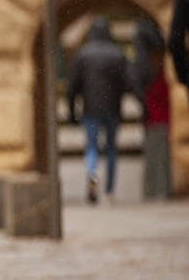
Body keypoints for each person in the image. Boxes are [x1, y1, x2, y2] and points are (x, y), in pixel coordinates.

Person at [67, 16, 130, 204]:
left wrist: (71, 111)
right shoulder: (118, 54)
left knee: (92, 147)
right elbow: (126, 82)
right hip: (112, 108)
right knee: (111, 149)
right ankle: (110, 191)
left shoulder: (83, 54)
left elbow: (73, 86)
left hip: (90, 108)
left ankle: (92, 174)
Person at [130, 18, 171, 200]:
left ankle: (152, 190)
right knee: (160, 153)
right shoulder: (159, 65)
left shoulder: (142, 62)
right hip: (159, 114)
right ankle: (160, 189)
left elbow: (136, 85)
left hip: (153, 113)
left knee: (153, 153)